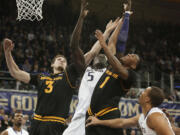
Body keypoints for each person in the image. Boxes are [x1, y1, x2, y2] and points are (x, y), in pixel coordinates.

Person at [3, 0, 88, 134]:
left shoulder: (69, 75)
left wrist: (104, 37)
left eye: (64, 60)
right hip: (37, 123)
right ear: (52, 64)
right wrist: (7, 53)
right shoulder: (41, 76)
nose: (61, 60)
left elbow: (87, 56)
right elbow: (15, 73)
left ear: (67, 66)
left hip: (55, 124)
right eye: (58, 59)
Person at [62, 18, 121, 135]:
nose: (101, 55)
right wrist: (107, 32)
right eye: (98, 56)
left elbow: (112, 45)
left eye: (104, 56)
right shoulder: (85, 70)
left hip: (98, 119)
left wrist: (122, 22)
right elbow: (93, 52)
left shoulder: (109, 73)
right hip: (80, 119)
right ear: (92, 61)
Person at [86, 86, 176, 135]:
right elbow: (121, 122)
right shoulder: (142, 116)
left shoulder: (155, 116)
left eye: (144, 92)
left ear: (147, 99)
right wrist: (99, 121)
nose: (141, 93)